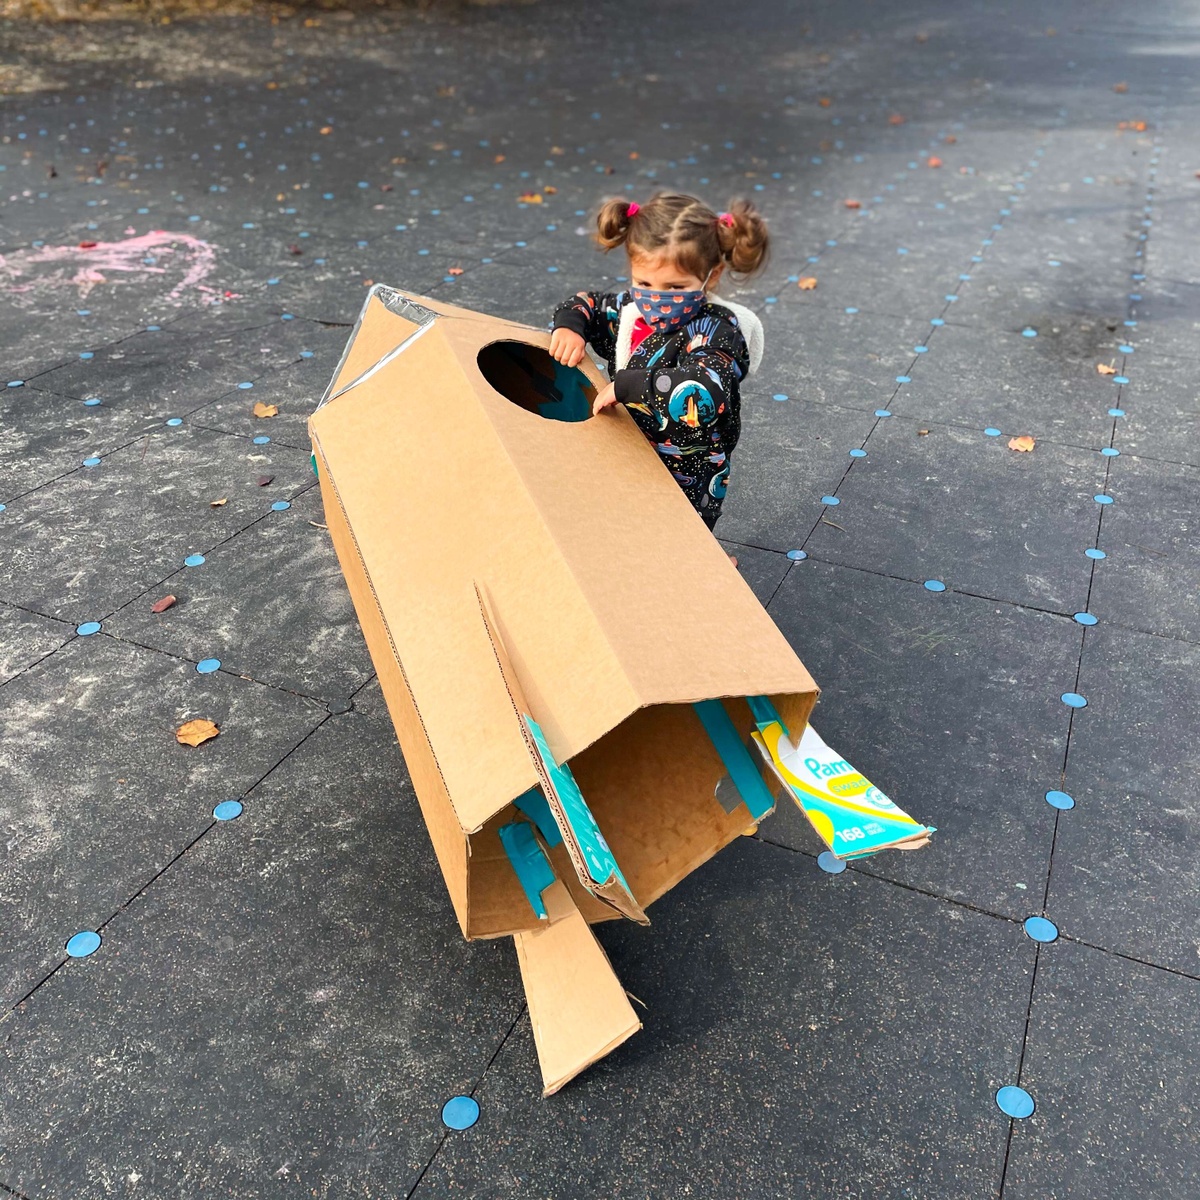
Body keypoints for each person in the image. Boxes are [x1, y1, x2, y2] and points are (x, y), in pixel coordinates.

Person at [549, 192, 768, 535]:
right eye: (644, 283)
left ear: (711, 277)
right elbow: (584, 302)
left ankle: (706, 566)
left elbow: (703, 389)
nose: (657, 297)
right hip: (633, 447)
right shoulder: (630, 311)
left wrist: (626, 386)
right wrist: (571, 326)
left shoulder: (716, 328)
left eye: (675, 286)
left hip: (693, 468)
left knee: (684, 533)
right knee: (630, 523)